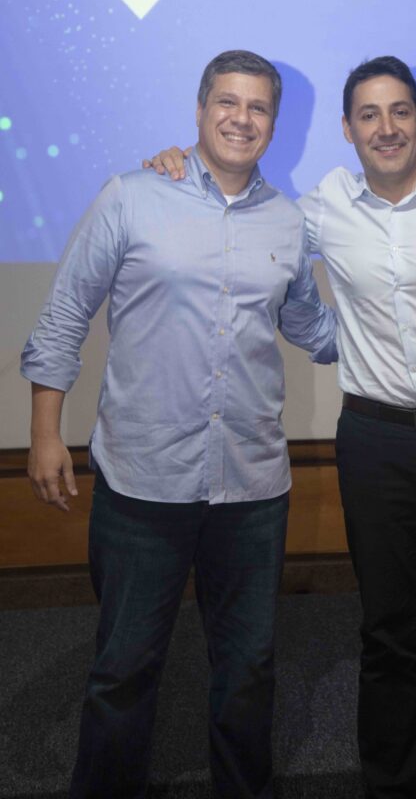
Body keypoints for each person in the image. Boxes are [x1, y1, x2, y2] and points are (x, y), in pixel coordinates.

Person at [147, 55, 416, 799]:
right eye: (368, 115)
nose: (386, 127)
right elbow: (246, 223)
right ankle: (390, 786)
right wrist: (181, 166)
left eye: (399, 111)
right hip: (376, 445)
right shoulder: (318, 209)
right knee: (386, 634)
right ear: (346, 129)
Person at [21, 49, 337, 799]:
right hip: (143, 482)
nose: (241, 119)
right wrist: (44, 433)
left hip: (251, 488)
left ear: (274, 125)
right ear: (199, 110)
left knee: (248, 669)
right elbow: (64, 316)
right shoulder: (131, 197)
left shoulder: (288, 222)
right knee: (123, 670)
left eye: (258, 108)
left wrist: (410, 314)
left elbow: (311, 328)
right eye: (227, 102)